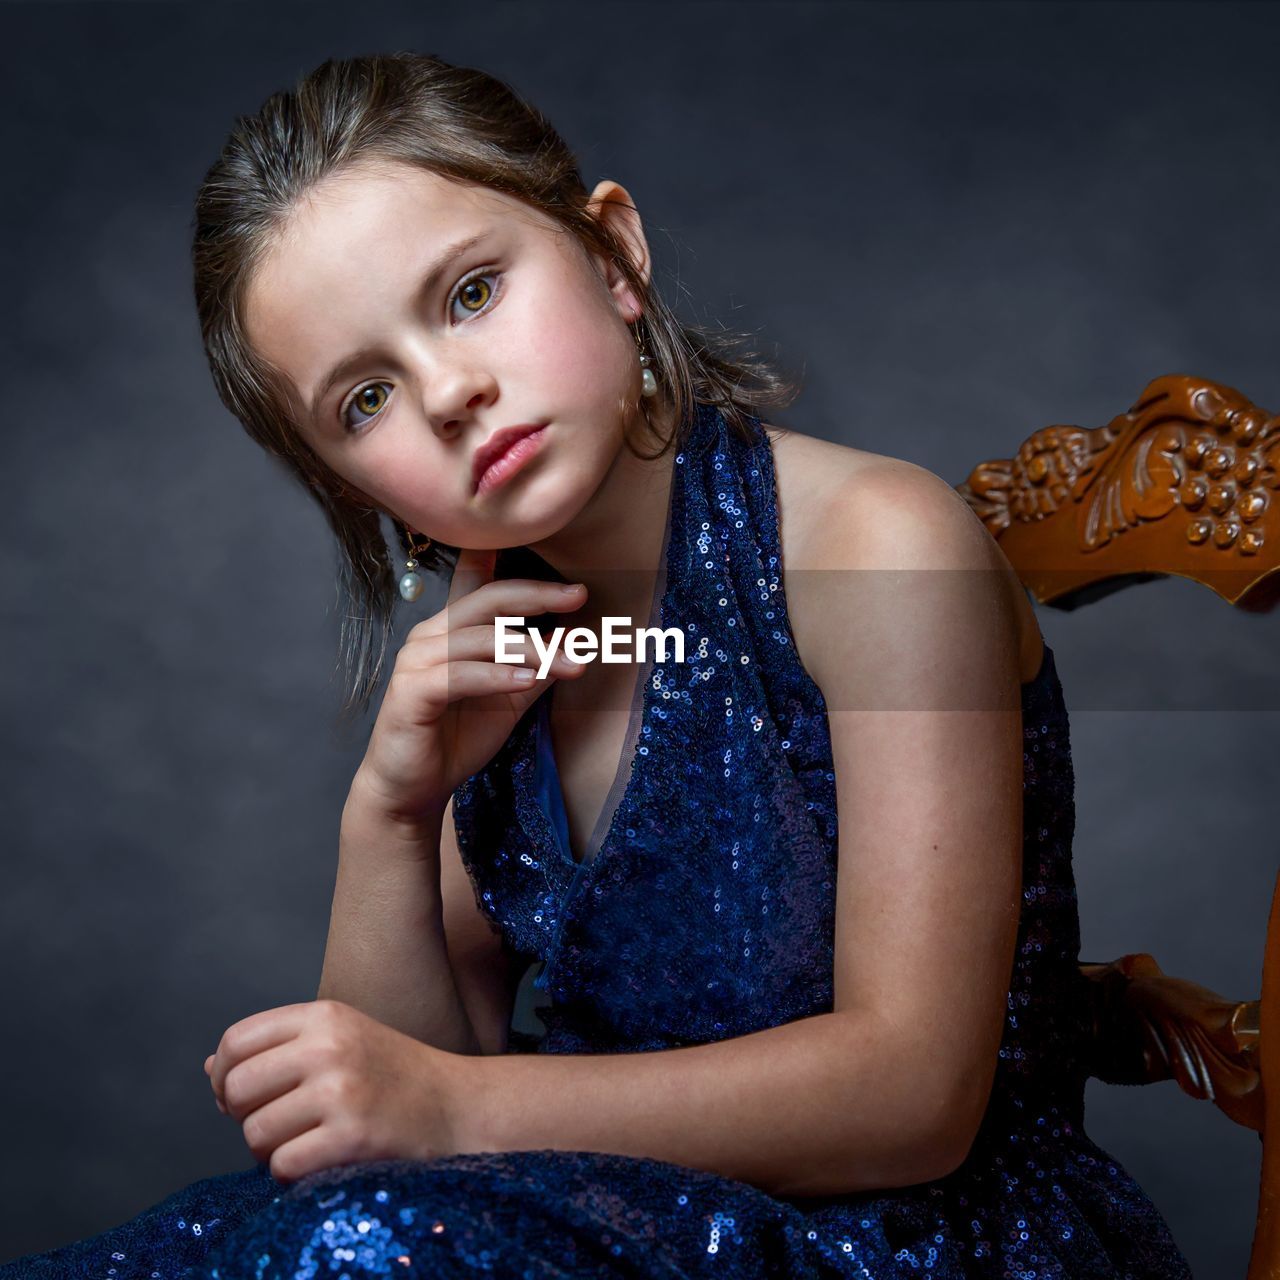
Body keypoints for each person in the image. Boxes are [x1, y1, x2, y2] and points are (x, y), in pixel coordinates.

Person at [0, 50, 1193, 1280]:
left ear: (613, 256)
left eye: (468, 294)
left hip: (928, 1234)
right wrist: (392, 811)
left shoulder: (873, 549)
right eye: (364, 400)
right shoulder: (508, 637)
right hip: (610, 1214)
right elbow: (387, 1131)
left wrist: (459, 1106)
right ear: (346, 486)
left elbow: (914, 1095)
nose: (452, 390)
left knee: (361, 1253)